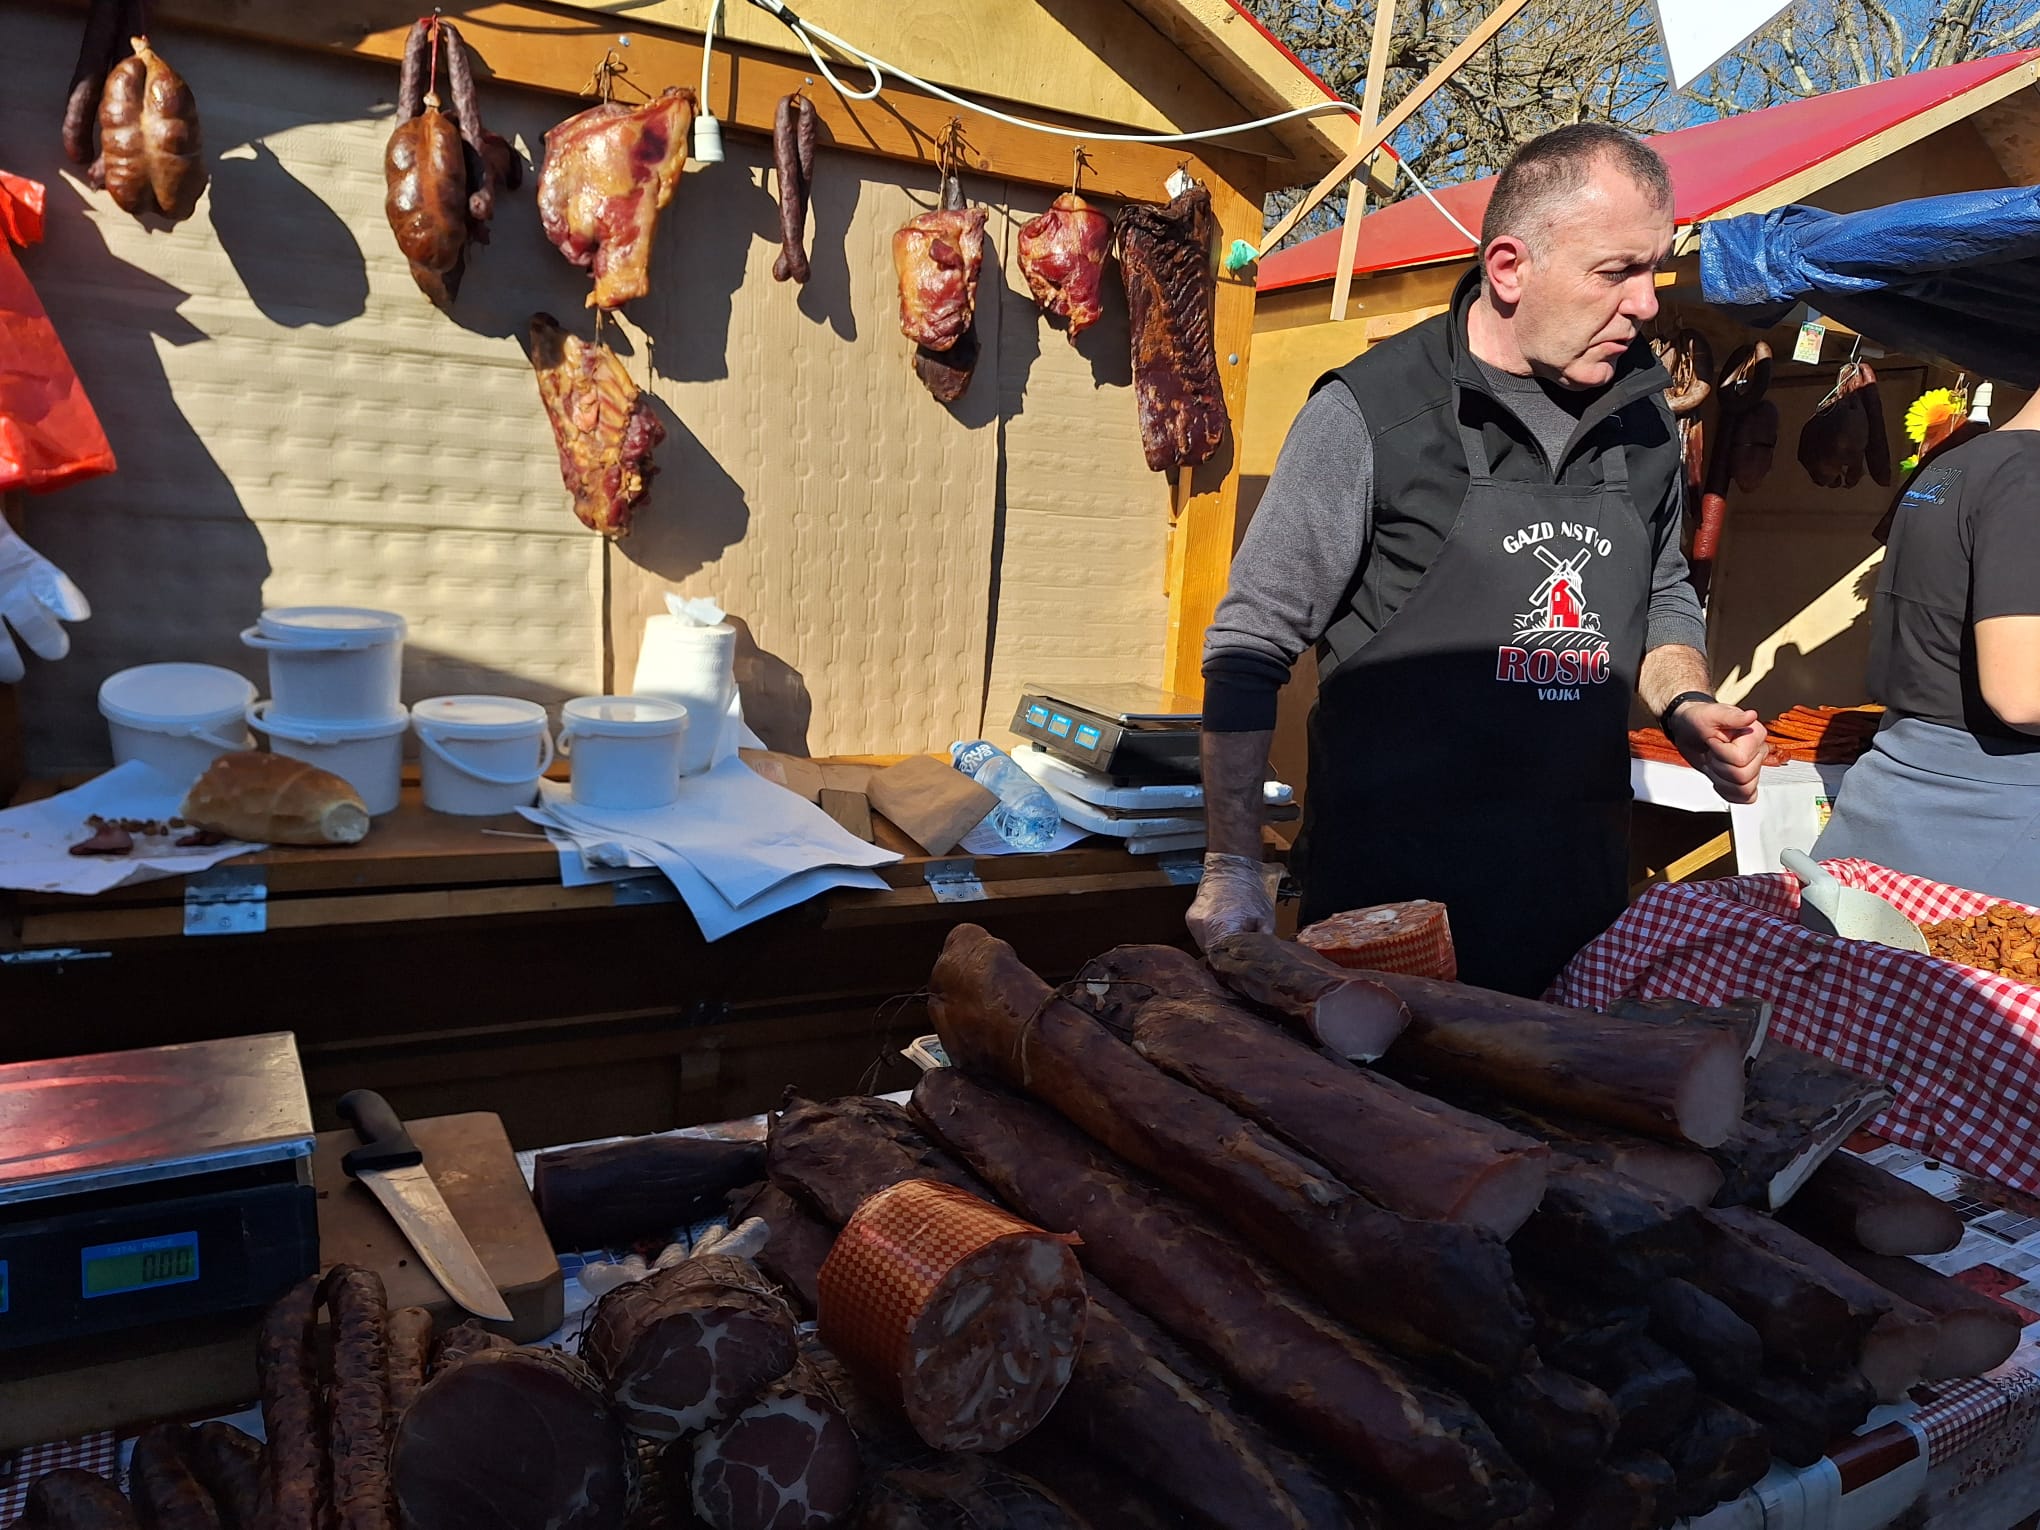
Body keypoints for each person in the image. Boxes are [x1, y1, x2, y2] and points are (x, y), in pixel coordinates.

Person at [1187, 123, 1767, 996]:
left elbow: (1663, 589)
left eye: (1655, 268)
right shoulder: (1373, 414)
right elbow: (1250, 646)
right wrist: (1231, 864)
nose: (1648, 304)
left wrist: (1684, 700)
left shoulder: (1646, 417)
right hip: (1387, 924)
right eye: (1616, 272)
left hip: (1580, 904)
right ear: (1509, 267)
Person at [1810, 392, 2040, 901]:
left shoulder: (1955, 462)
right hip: (1989, 829)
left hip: (1894, 799)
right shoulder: (2031, 477)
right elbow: (2021, 693)